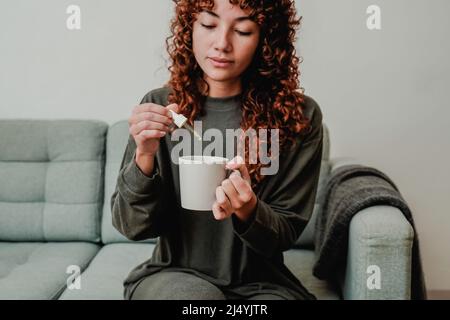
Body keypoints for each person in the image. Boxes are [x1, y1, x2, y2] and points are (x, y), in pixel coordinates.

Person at [111, 0, 323, 300]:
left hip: (264, 285)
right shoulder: (162, 107)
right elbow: (132, 227)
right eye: (209, 25)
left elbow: (283, 234)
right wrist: (144, 156)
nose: (222, 44)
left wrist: (248, 209)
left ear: (265, 39)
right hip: (175, 275)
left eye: (243, 30)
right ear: (189, 29)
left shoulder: (299, 116)